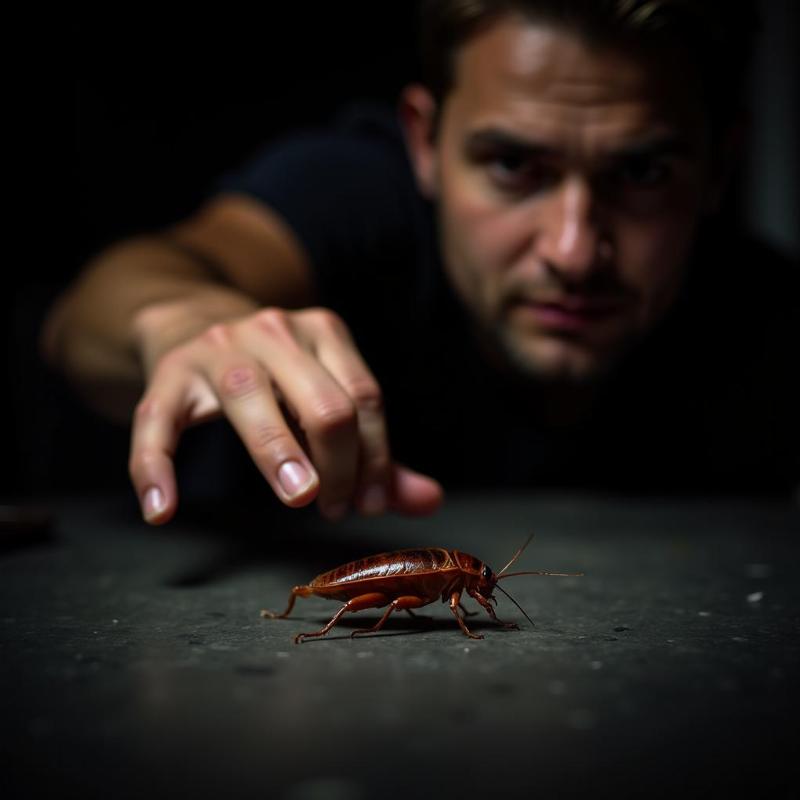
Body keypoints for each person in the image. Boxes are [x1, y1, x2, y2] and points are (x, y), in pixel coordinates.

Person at [43, 0, 798, 525]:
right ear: (421, 141)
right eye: (511, 164)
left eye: (642, 174)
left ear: (720, 169)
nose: (574, 251)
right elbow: (90, 316)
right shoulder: (349, 195)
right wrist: (186, 322)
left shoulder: (767, 317)